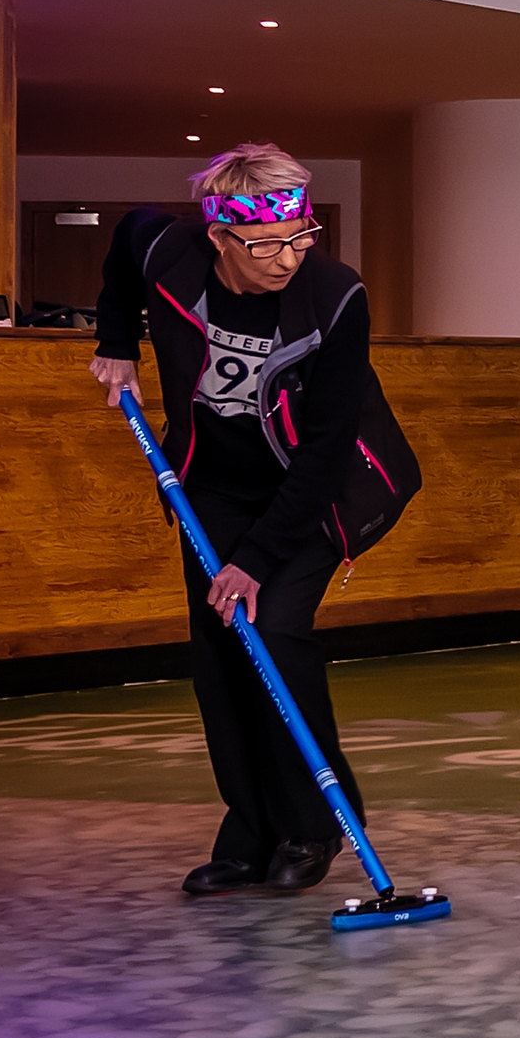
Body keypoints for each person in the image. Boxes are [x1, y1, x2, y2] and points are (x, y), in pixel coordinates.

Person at [90, 145, 413, 899]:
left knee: (271, 634)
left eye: (300, 237)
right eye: (266, 244)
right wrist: (115, 341)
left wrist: (258, 558)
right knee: (218, 654)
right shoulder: (170, 251)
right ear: (220, 236)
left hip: (307, 491)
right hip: (209, 486)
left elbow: (327, 448)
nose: (287, 257)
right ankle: (248, 832)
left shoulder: (336, 296)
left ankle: (314, 825)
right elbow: (124, 238)